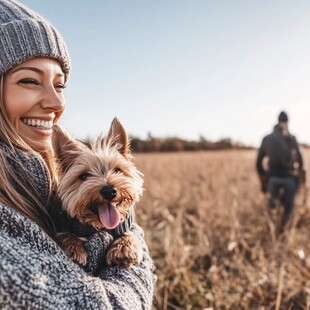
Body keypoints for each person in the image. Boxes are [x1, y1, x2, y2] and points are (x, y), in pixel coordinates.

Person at [0, 0, 155, 308]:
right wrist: (130, 267)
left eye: (60, 85)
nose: (56, 103)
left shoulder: (43, 185)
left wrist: (126, 232)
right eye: (29, 80)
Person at [256, 111, 304, 222]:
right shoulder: (292, 138)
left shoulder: (267, 139)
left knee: (272, 209)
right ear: (288, 121)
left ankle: (273, 229)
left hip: (272, 178)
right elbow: (301, 162)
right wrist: (300, 180)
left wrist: (263, 179)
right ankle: (285, 232)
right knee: (288, 212)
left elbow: (258, 163)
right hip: (290, 178)